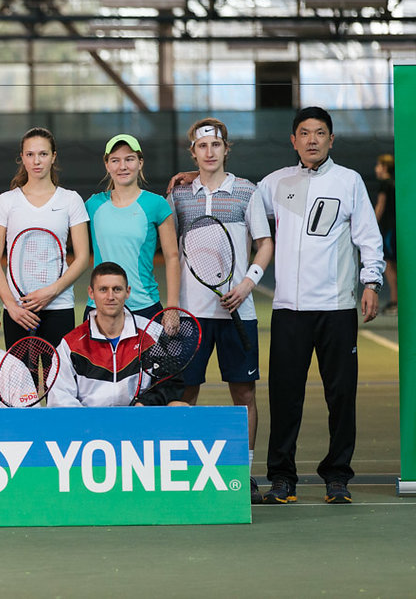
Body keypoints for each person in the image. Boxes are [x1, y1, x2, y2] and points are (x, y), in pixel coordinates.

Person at [257, 107, 384, 505]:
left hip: (336, 308)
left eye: (320, 133)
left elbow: (368, 236)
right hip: (289, 311)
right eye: (304, 133)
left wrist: (371, 281)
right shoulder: (277, 183)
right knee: (284, 395)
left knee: (341, 395)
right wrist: (197, 177)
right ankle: (282, 478)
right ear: (293, 140)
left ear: (332, 140)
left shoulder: (349, 182)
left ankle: (337, 476)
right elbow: (239, 199)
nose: (312, 139)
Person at [168, 117, 274, 504]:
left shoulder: (247, 192)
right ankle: (182, 473)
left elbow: (264, 243)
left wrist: (246, 284)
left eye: (216, 146)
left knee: (243, 394)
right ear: (192, 151)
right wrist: (174, 305)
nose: (209, 152)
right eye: (202, 146)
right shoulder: (178, 195)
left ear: (226, 149)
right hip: (191, 316)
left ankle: (243, 475)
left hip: (237, 312)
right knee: (186, 393)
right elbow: (169, 248)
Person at [0, 127, 90, 348]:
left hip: (59, 307)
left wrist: (51, 291)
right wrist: (11, 306)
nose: (37, 161)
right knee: (22, 382)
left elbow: (82, 258)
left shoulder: (71, 200)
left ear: (53, 157)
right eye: (30, 154)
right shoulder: (5, 202)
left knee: (58, 381)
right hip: (18, 312)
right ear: (22, 158)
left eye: (43, 154)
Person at [51, 262, 187, 408]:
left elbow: (172, 383)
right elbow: (60, 397)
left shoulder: (153, 334)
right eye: (103, 289)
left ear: (127, 292)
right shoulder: (71, 344)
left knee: (179, 405)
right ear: (91, 293)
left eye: (117, 289)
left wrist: (144, 403)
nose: (110, 296)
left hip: (139, 422)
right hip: (90, 425)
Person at [84, 134, 180, 321]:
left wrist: (173, 308)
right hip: (99, 308)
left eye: (129, 159)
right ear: (107, 165)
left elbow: (172, 257)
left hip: (145, 308)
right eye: (115, 160)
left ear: (140, 162)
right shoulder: (92, 205)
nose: (123, 166)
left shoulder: (157, 204)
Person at [374, 154, 397, 315]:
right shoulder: (394, 184)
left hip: (389, 230)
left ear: (384, 167)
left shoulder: (384, 184)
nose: (376, 169)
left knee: (388, 265)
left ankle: (395, 301)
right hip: (394, 229)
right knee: (393, 265)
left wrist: (370, 227)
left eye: (378, 165)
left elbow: (380, 207)